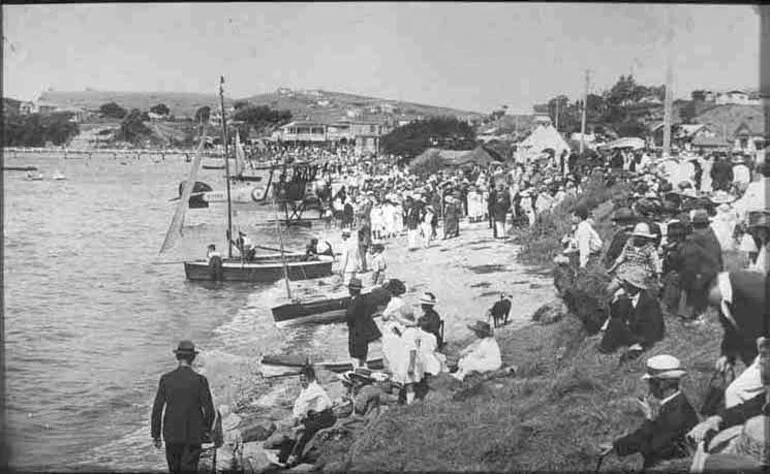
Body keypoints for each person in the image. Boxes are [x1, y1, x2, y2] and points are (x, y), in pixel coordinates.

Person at [598, 355, 699, 469]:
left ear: (662, 384)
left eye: (650, 382)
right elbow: (647, 435)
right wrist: (615, 446)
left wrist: (648, 418)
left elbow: (652, 448)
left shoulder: (677, 413)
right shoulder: (673, 404)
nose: (649, 388)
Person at [151, 340, 215, 474]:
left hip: (171, 434)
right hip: (193, 435)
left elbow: (157, 409)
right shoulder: (200, 380)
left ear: (177, 357)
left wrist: (156, 435)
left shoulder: (166, 379)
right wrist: (206, 431)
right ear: (193, 358)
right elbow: (209, 411)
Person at [706, 270, 767, 409]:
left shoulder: (752, 290)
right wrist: (726, 355)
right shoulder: (725, 296)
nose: (706, 306)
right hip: (759, 350)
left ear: (711, 286)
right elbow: (732, 329)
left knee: (736, 392)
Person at [266, 366, 335, 467]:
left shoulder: (314, 389)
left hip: (323, 418)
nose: (302, 382)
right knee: (295, 430)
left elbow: (303, 405)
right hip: (316, 416)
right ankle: (284, 456)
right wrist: (297, 417)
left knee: (298, 432)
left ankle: (289, 458)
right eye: (301, 379)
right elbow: (300, 405)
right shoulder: (307, 388)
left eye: (304, 379)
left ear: (310, 378)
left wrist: (297, 418)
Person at [598, 268, 665, 357]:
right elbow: (617, 314)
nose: (623, 285)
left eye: (626, 283)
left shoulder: (650, 302)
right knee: (616, 321)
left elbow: (656, 328)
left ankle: (604, 350)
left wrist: (642, 344)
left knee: (615, 324)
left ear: (633, 286)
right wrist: (614, 301)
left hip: (643, 336)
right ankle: (605, 347)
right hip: (633, 330)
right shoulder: (629, 297)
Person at [675, 210, 723, 322]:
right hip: (713, 271)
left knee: (689, 286)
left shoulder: (693, 239)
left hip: (699, 274)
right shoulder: (712, 235)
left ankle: (689, 313)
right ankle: (700, 312)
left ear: (694, 225)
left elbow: (685, 258)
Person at [606, 222, 662, 297]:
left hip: (640, 273)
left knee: (630, 292)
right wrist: (611, 269)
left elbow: (655, 262)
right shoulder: (629, 245)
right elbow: (621, 258)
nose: (641, 239)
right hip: (626, 270)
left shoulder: (650, 249)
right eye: (639, 236)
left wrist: (658, 277)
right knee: (610, 289)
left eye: (643, 237)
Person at [346, 278, 382, 368]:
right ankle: (364, 370)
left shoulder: (353, 302)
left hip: (355, 333)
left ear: (350, 290)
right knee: (363, 355)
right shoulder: (364, 300)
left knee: (355, 356)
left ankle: (358, 372)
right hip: (364, 333)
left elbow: (350, 316)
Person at [572, 205, 603, 269]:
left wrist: (582, 264)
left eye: (573, 216)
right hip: (590, 254)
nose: (571, 218)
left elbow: (584, 247)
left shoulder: (583, 228)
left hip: (593, 256)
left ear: (579, 217)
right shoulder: (581, 226)